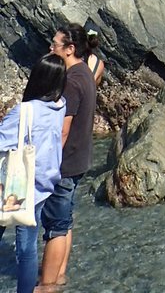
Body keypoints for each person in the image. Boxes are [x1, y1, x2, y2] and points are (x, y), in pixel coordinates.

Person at [0, 54, 66, 293]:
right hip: (42, 186)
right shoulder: (61, 105)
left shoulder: (24, 111)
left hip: (14, 187)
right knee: (27, 250)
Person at [38, 25, 96, 291]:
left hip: (64, 163)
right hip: (80, 160)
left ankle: (47, 285)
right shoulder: (85, 71)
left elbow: (62, 130)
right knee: (65, 220)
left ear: (70, 49)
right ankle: (59, 276)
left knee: (55, 227)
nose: (51, 48)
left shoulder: (71, 81)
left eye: (55, 45)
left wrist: (47, 166)